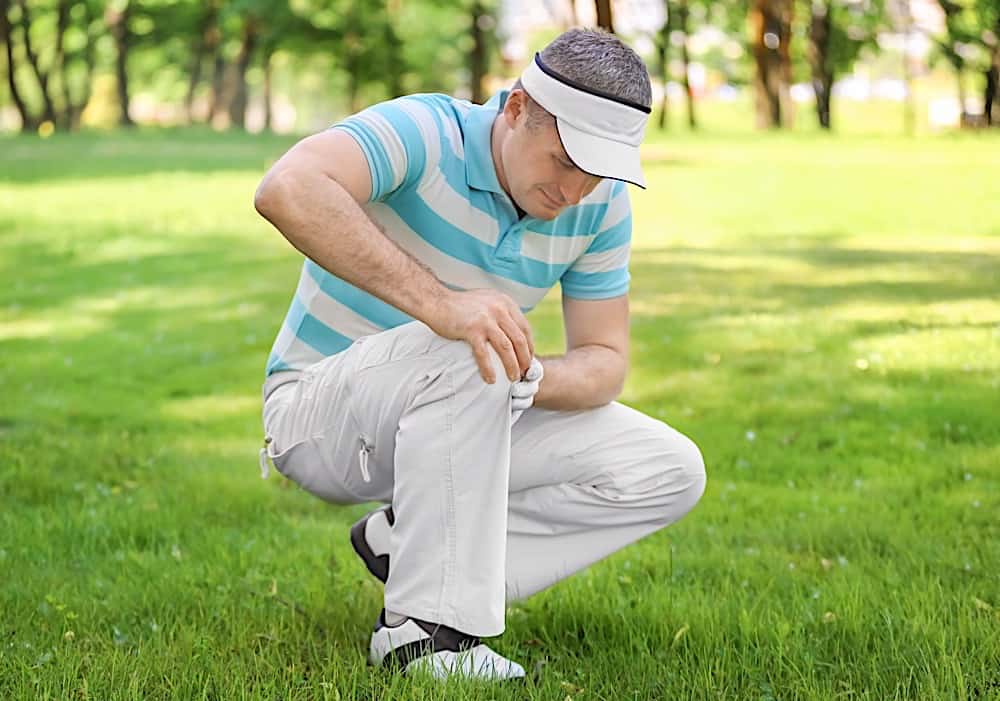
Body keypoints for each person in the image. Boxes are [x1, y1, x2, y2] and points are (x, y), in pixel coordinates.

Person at [253, 28, 706, 682]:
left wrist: (530, 376)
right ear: (516, 108)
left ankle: (401, 542)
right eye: (565, 159)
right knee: (477, 335)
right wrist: (443, 305)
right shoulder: (426, 131)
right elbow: (287, 188)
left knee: (669, 468)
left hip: (456, 408)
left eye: (598, 168)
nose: (575, 190)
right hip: (318, 417)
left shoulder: (599, 204)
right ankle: (422, 636)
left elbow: (605, 360)